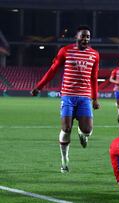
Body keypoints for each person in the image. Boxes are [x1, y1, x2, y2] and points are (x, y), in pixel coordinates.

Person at [30, 25, 100, 173]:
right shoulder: (65, 51)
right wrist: (38, 87)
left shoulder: (94, 54)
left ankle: (83, 135)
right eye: (83, 36)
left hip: (84, 97)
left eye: (88, 37)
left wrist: (95, 98)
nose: (85, 39)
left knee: (87, 129)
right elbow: (52, 70)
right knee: (66, 128)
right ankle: (64, 160)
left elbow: (94, 77)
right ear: (76, 37)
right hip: (68, 95)